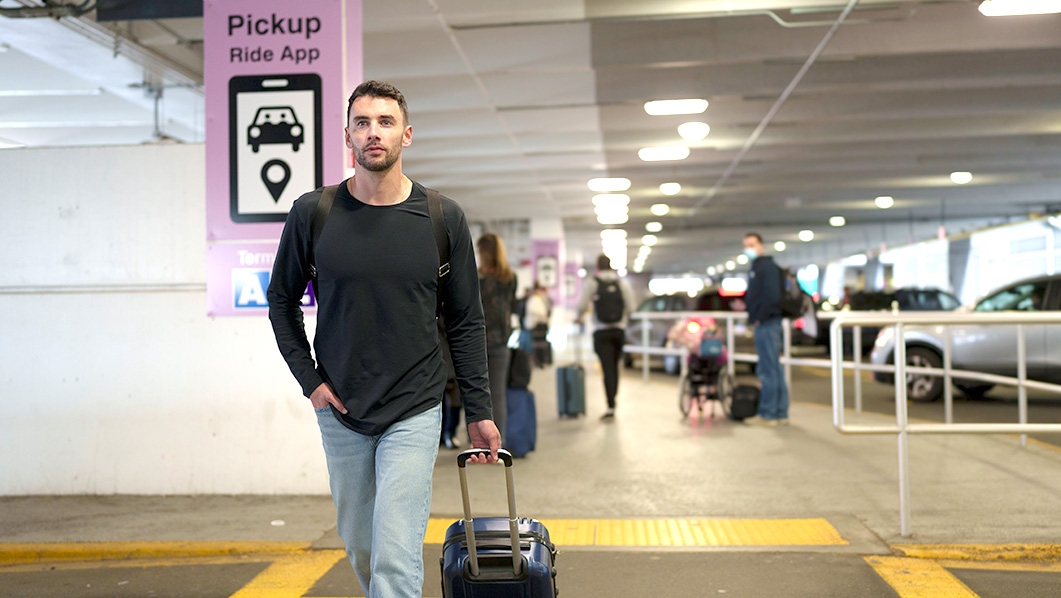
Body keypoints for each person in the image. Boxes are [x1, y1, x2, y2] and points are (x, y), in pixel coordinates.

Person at [266, 80, 500, 598]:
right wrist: (311, 382)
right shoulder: (314, 214)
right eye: (363, 122)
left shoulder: (441, 218)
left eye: (386, 122)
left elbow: (466, 320)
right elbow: (281, 301)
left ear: (406, 135)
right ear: (348, 136)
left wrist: (479, 409)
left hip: (414, 407)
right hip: (341, 408)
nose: (374, 132)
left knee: (395, 555)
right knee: (362, 546)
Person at [576, 254, 635, 421]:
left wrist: (579, 317)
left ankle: (610, 405)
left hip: (601, 332)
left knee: (606, 368)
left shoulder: (593, 283)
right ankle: (613, 400)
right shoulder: (622, 283)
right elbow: (631, 308)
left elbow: (582, 305)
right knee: (615, 368)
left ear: (598, 267)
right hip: (618, 332)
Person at [742, 232, 790, 427]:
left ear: (761, 245)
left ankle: (769, 413)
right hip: (767, 322)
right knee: (774, 368)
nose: (749, 249)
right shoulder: (758, 267)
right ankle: (780, 412)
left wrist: (759, 318)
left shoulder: (766, 267)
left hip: (767, 323)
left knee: (768, 369)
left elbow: (772, 296)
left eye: (752, 244)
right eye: (746, 245)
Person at [476, 233, 518, 445]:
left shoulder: (477, 278)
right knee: (498, 394)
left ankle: (477, 442)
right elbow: (511, 307)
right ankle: (498, 444)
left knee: (476, 395)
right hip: (501, 341)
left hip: (476, 343)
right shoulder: (510, 278)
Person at [524, 282, 552, 368]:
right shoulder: (533, 300)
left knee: (540, 344)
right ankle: (537, 361)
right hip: (534, 325)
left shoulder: (541, 299)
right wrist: (542, 314)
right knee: (535, 345)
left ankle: (541, 360)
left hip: (540, 326)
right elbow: (535, 311)